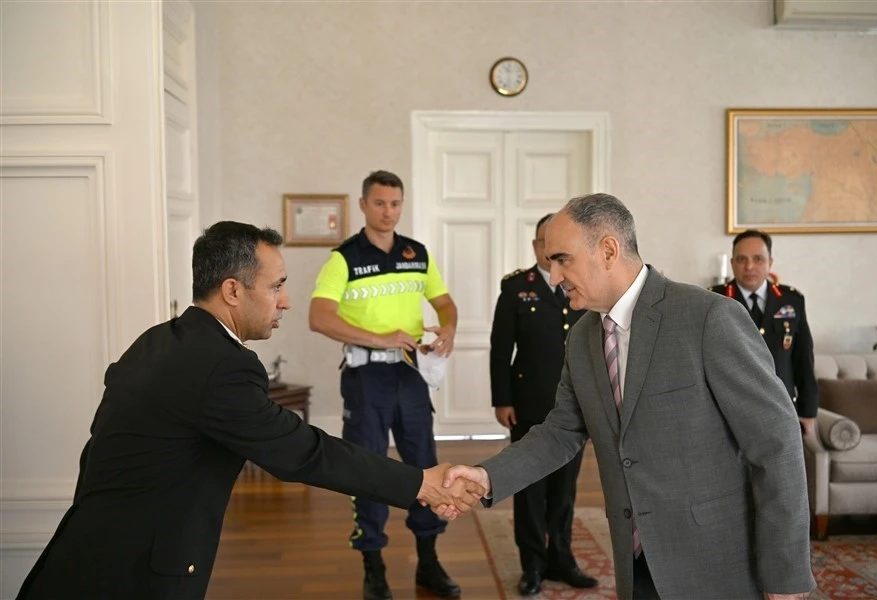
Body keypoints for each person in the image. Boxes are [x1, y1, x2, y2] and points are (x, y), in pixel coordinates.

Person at [16, 221, 484, 600]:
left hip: (85, 551)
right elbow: (304, 452)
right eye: (276, 286)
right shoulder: (222, 366)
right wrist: (419, 482)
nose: (286, 301)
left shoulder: (160, 340)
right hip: (130, 572)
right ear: (233, 290)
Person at [444, 194, 815, 600]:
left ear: (608, 250)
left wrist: (786, 574)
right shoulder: (582, 338)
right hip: (634, 561)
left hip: (716, 564)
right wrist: (487, 477)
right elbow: (561, 431)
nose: (554, 276)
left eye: (563, 260)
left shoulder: (709, 318)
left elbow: (776, 443)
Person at [308, 170, 460, 600]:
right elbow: (319, 318)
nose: (388, 212)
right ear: (363, 205)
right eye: (379, 203)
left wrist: (449, 328)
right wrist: (380, 338)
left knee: (424, 465)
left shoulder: (417, 253)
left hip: (410, 375)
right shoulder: (344, 258)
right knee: (367, 469)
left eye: (395, 204)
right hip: (366, 379)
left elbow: (444, 303)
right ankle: (373, 568)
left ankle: (428, 561)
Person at [489, 213, 597, 596]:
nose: (550, 252)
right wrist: (502, 399)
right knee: (530, 489)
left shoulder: (583, 285)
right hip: (529, 405)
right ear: (536, 246)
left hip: (574, 407)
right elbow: (501, 349)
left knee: (564, 491)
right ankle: (533, 565)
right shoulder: (517, 287)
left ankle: (561, 559)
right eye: (543, 242)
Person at [709, 229, 819, 434]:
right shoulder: (713, 299)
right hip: (729, 411)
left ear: (770, 262)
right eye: (741, 259)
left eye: (758, 259)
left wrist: (808, 410)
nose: (749, 266)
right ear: (732, 263)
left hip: (781, 408)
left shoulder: (791, 300)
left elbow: (803, 359)